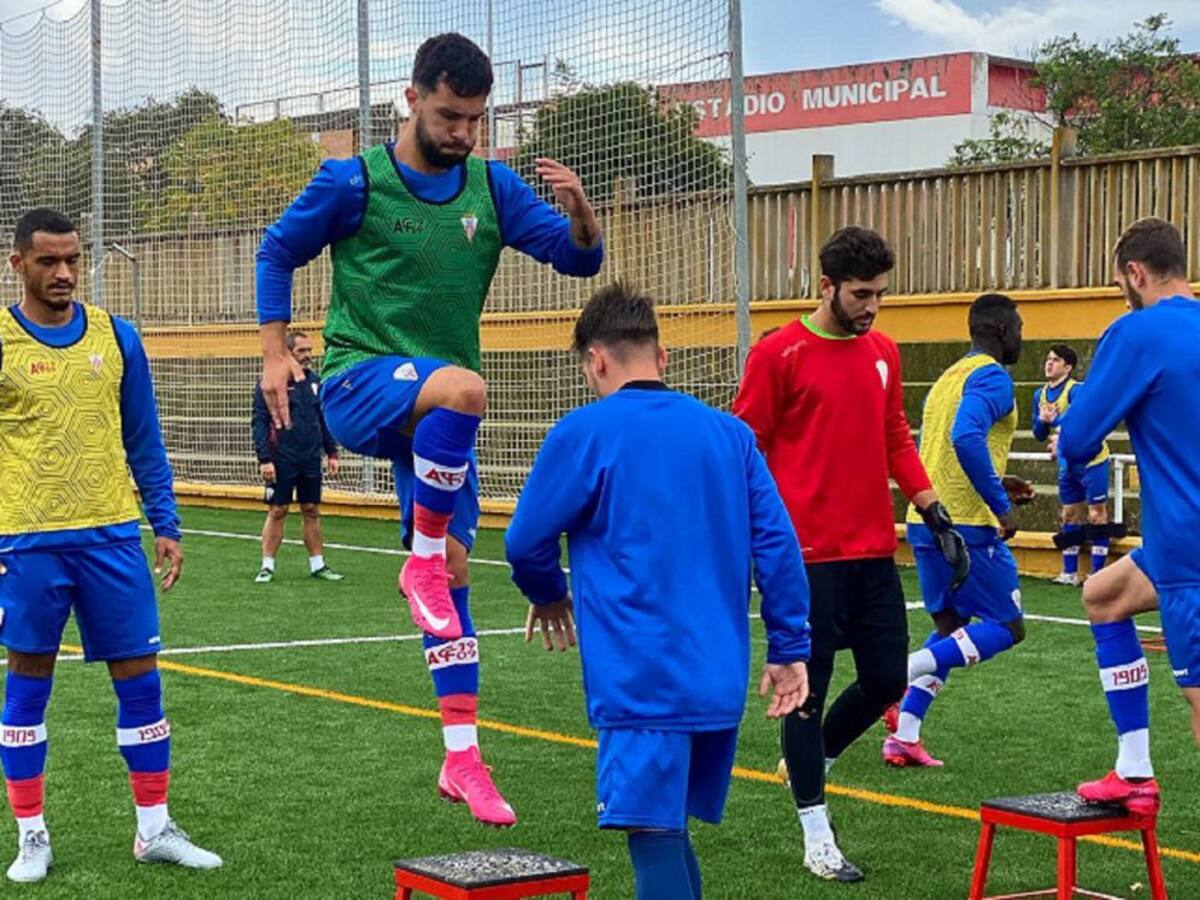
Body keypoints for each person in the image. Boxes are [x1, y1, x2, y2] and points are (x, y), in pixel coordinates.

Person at [255, 32, 602, 826]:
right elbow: (276, 251)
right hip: (358, 383)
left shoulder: (493, 187)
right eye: (450, 116)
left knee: (453, 569)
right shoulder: (353, 182)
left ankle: (462, 758)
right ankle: (417, 565)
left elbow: (577, 261)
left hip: (439, 422)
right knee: (467, 389)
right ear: (412, 99)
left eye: (476, 119)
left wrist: (583, 215)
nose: (464, 133)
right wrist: (275, 353)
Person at [505, 284, 811, 900]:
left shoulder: (586, 431)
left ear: (595, 360)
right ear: (662, 355)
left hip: (642, 678)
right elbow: (779, 545)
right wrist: (788, 647)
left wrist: (549, 592)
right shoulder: (730, 435)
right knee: (667, 831)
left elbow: (525, 542)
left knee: (652, 833)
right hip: (717, 676)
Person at [733, 225, 966, 881]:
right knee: (805, 696)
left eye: (880, 294)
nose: (873, 306)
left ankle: (811, 761)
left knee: (888, 679)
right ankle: (817, 835)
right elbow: (745, 449)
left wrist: (933, 510)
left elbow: (894, 436)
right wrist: (753, 541)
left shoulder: (883, 352)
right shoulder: (779, 354)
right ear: (827, 286)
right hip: (803, 559)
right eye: (862, 294)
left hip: (872, 552)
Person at [0, 208, 220, 882]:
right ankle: (31, 836)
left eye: (73, 259)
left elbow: (144, 439)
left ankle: (154, 829)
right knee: (27, 683)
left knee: (142, 683)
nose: (64, 272)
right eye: (48, 261)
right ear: (18, 264)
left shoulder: (118, 337)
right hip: (26, 542)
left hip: (113, 538)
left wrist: (166, 523)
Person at [1058, 217, 1200, 816]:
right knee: (1102, 596)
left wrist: (1076, 441)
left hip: (1189, 547)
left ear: (1136, 273)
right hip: (1172, 548)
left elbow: (1077, 437)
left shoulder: (1137, 333)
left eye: (1121, 283)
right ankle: (1134, 770)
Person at [884, 293, 1032, 767]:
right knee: (1008, 627)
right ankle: (895, 676)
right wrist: (1001, 506)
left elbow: (944, 450)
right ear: (1003, 331)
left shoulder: (949, 377)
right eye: (1019, 328)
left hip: (926, 521)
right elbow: (965, 437)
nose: (1021, 337)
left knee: (950, 629)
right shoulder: (993, 376)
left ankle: (905, 735)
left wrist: (999, 479)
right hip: (967, 526)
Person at [251, 330, 343, 583]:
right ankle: (267, 566)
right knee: (278, 510)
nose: (307, 355)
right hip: (281, 457)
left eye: (309, 350)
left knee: (311, 509)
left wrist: (331, 452)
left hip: (310, 456)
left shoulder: (315, 383)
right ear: (288, 353)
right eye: (302, 351)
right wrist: (264, 459)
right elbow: (260, 422)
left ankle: (318, 564)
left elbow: (322, 419)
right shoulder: (270, 384)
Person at [1033, 344, 1112, 583]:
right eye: (1048, 359)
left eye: (1055, 360)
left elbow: (1081, 423)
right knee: (1069, 515)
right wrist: (1043, 421)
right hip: (1068, 464)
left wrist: (1054, 420)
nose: (1049, 363)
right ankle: (1069, 572)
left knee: (1097, 514)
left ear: (1067, 367)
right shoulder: (1039, 395)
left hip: (1092, 461)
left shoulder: (1077, 391)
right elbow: (1038, 434)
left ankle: (1097, 573)